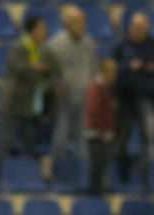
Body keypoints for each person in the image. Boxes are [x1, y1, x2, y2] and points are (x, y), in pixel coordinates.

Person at [0, 15, 57, 161]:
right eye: (41, 29)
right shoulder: (19, 47)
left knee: (31, 144)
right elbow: (17, 67)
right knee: (4, 142)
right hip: (13, 103)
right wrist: (34, 66)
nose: (44, 32)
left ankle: (32, 176)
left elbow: (51, 69)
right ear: (33, 31)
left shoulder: (44, 50)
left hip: (32, 106)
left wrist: (47, 79)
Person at [113, 12, 154, 188]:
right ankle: (122, 176)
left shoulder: (152, 45)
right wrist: (128, 67)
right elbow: (112, 69)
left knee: (150, 139)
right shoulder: (121, 46)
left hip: (146, 98)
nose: (140, 31)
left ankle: (149, 177)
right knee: (122, 140)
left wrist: (145, 67)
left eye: (143, 28)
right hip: (124, 100)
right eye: (137, 27)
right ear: (130, 28)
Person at [47, 4, 97, 163]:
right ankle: (58, 174)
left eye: (82, 21)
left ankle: (82, 177)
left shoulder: (89, 43)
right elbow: (48, 71)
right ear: (66, 22)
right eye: (76, 21)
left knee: (83, 141)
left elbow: (93, 68)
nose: (80, 24)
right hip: (64, 99)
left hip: (84, 98)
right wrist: (55, 84)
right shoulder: (55, 44)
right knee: (60, 138)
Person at [84, 58, 118, 196]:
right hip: (96, 133)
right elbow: (94, 110)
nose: (114, 74)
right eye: (111, 71)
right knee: (97, 165)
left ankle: (99, 191)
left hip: (104, 133)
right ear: (103, 71)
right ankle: (95, 192)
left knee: (103, 165)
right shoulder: (96, 87)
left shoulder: (108, 87)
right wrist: (104, 130)